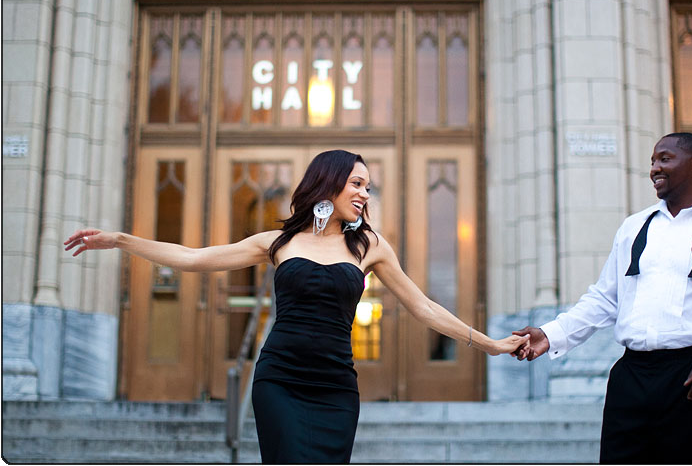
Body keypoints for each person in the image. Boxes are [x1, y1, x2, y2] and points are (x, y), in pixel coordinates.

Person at [65, 149, 529, 464]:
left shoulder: (370, 247)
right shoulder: (278, 242)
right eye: (357, 183)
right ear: (329, 183)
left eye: (368, 187)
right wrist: (120, 240)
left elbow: (423, 307)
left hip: (336, 388)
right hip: (281, 381)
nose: (365, 194)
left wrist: (489, 344)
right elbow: (194, 258)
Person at [513, 132, 692, 464]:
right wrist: (550, 334)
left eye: (665, 159)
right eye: (653, 161)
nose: (654, 168)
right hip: (631, 378)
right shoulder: (633, 227)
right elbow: (604, 299)